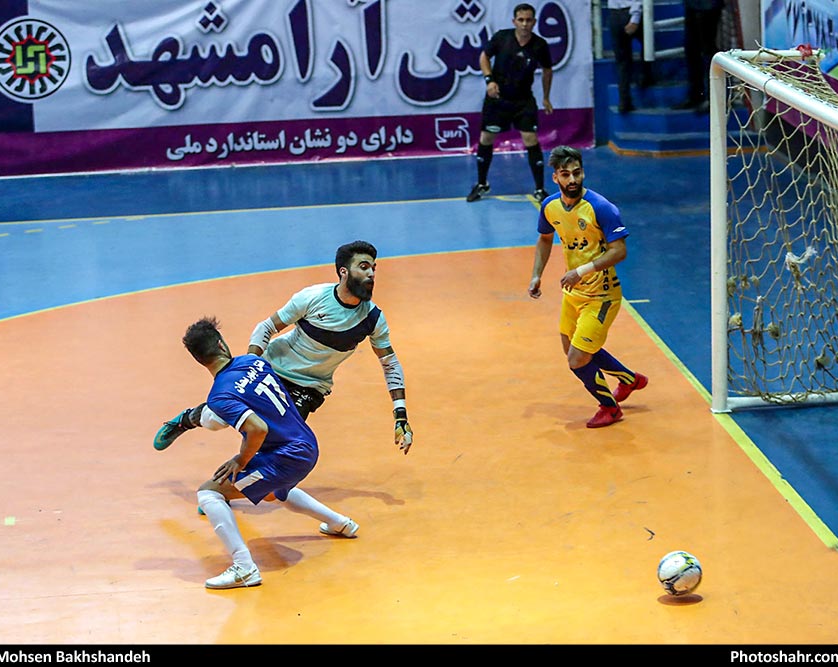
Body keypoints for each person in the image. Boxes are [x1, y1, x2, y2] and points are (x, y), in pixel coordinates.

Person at [154, 241, 413, 497]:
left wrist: (400, 415)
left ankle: (222, 490)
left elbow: (389, 363)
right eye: (364, 267)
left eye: (374, 268)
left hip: (310, 388)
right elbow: (266, 327)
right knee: (216, 420)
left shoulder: (373, 319)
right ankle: (186, 421)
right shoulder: (313, 298)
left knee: (275, 443)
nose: (371, 274)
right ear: (343, 272)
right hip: (272, 368)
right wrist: (252, 362)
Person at [180, 316, 359, 590]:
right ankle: (341, 524)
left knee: (209, 493)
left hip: (285, 457)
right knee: (274, 492)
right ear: (221, 344)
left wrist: (241, 459)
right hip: (306, 444)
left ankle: (244, 569)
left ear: (198, 360)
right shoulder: (255, 362)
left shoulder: (219, 396)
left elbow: (258, 428)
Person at [527, 145, 648, 428]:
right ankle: (629, 380)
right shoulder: (550, 207)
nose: (572, 179)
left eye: (577, 173)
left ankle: (610, 408)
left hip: (602, 295)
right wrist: (536, 275)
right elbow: (545, 239)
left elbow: (619, 251)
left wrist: (581, 271)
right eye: (565, 174)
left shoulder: (601, 208)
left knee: (577, 358)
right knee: (572, 348)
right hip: (574, 294)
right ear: (555, 177)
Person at [466, 3, 553, 204]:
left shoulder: (540, 45)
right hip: (498, 99)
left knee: (530, 139)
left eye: (528, 20)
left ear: (534, 22)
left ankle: (540, 189)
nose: (524, 24)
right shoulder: (501, 38)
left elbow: (547, 70)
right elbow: (484, 57)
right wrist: (489, 80)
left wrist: (546, 97)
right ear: (514, 21)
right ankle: (482, 184)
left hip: (523, 100)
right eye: (520, 20)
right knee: (486, 138)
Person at [672, 0, 725, 114]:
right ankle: (696, 95)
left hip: (707, 6)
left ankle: (711, 97)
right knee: (692, 50)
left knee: (707, 51)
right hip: (694, 5)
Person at [607, 0, 655, 114]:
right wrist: (635, 17)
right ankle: (644, 77)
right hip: (629, 12)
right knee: (648, 42)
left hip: (614, 14)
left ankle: (624, 101)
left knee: (622, 61)